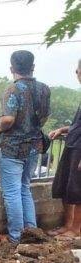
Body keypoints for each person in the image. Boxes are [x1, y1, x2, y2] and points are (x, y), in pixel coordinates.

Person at [0, 50, 50, 243]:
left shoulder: (13, 89)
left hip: (12, 148)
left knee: (12, 192)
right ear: (32, 67)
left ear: (12, 68)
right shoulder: (44, 89)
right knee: (24, 188)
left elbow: (8, 119)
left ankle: (16, 237)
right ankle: (32, 232)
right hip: (34, 147)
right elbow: (45, 116)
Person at [48, 59, 81, 238]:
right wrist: (62, 129)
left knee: (77, 189)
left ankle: (76, 229)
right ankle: (68, 225)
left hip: (80, 149)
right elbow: (78, 125)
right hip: (72, 144)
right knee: (64, 186)